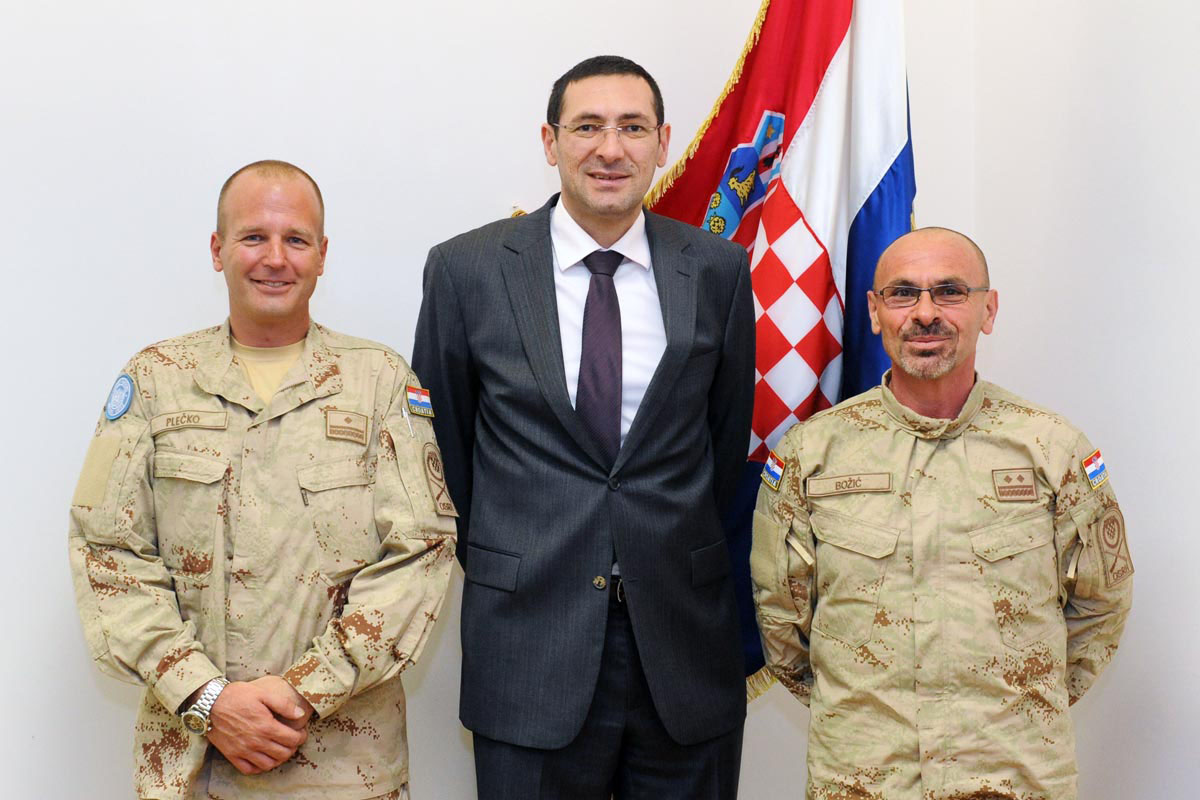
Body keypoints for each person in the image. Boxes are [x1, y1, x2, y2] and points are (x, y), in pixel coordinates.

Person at [412, 55, 755, 799]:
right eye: (587, 127)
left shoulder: (718, 270)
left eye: (632, 127)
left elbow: (724, 444)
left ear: (662, 142)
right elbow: (442, 456)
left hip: (684, 645)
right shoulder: (467, 270)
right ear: (550, 141)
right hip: (529, 642)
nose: (610, 149)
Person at [68, 160, 457, 800]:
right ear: (217, 249)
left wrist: (304, 692)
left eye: (295, 239)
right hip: (192, 761)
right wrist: (207, 698)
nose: (275, 258)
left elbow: (422, 552)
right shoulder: (157, 379)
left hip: (344, 765)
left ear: (322, 255)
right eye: (253, 237)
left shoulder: (381, 382)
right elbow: (107, 551)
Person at [751, 226, 1133, 799]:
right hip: (864, 780)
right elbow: (782, 620)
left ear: (988, 309)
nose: (925, 313)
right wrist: (862, 709)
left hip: (1014, 777)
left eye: (950, 291)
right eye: (903, 293)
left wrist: (1022, 700)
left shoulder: (1052, 450)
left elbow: (1101, 607)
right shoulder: (812, 454)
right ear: (874, 312)